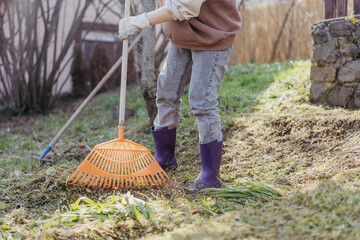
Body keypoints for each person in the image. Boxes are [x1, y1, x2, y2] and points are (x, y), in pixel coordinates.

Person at [119, 0, 241, 193]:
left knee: (202, 101)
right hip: (183, 33)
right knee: (166, 92)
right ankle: (164, 158)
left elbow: (185, 6)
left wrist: (141, 20)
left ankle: (211, 175)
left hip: (213, 34)